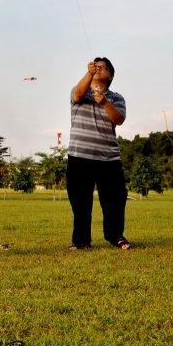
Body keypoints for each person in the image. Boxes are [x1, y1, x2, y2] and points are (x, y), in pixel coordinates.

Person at [67, 57, 131, 250]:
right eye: (95, 66)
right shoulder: (79, 90)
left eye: (102, 67)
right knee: (81, 203)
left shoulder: (116, 98)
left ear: (110, 75)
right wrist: (88, 74)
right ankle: (81, 241)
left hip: (108, 158)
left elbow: (119, 119)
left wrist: (104, 102)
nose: (98, 68)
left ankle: (115, 237)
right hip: (80, 156)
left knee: (115, 202)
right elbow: (78, 95)